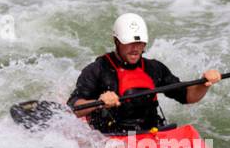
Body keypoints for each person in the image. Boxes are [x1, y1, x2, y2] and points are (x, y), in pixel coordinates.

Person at [67, 14, 221, 135]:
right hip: (113, 135)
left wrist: (204, 83)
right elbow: (74, 107)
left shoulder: (154, 68)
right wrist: (99, 101)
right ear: (117, 41)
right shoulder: (97, 69)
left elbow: (188, 96)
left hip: (151, 132)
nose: (135, 48)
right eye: (129, 43)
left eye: (140, 43)